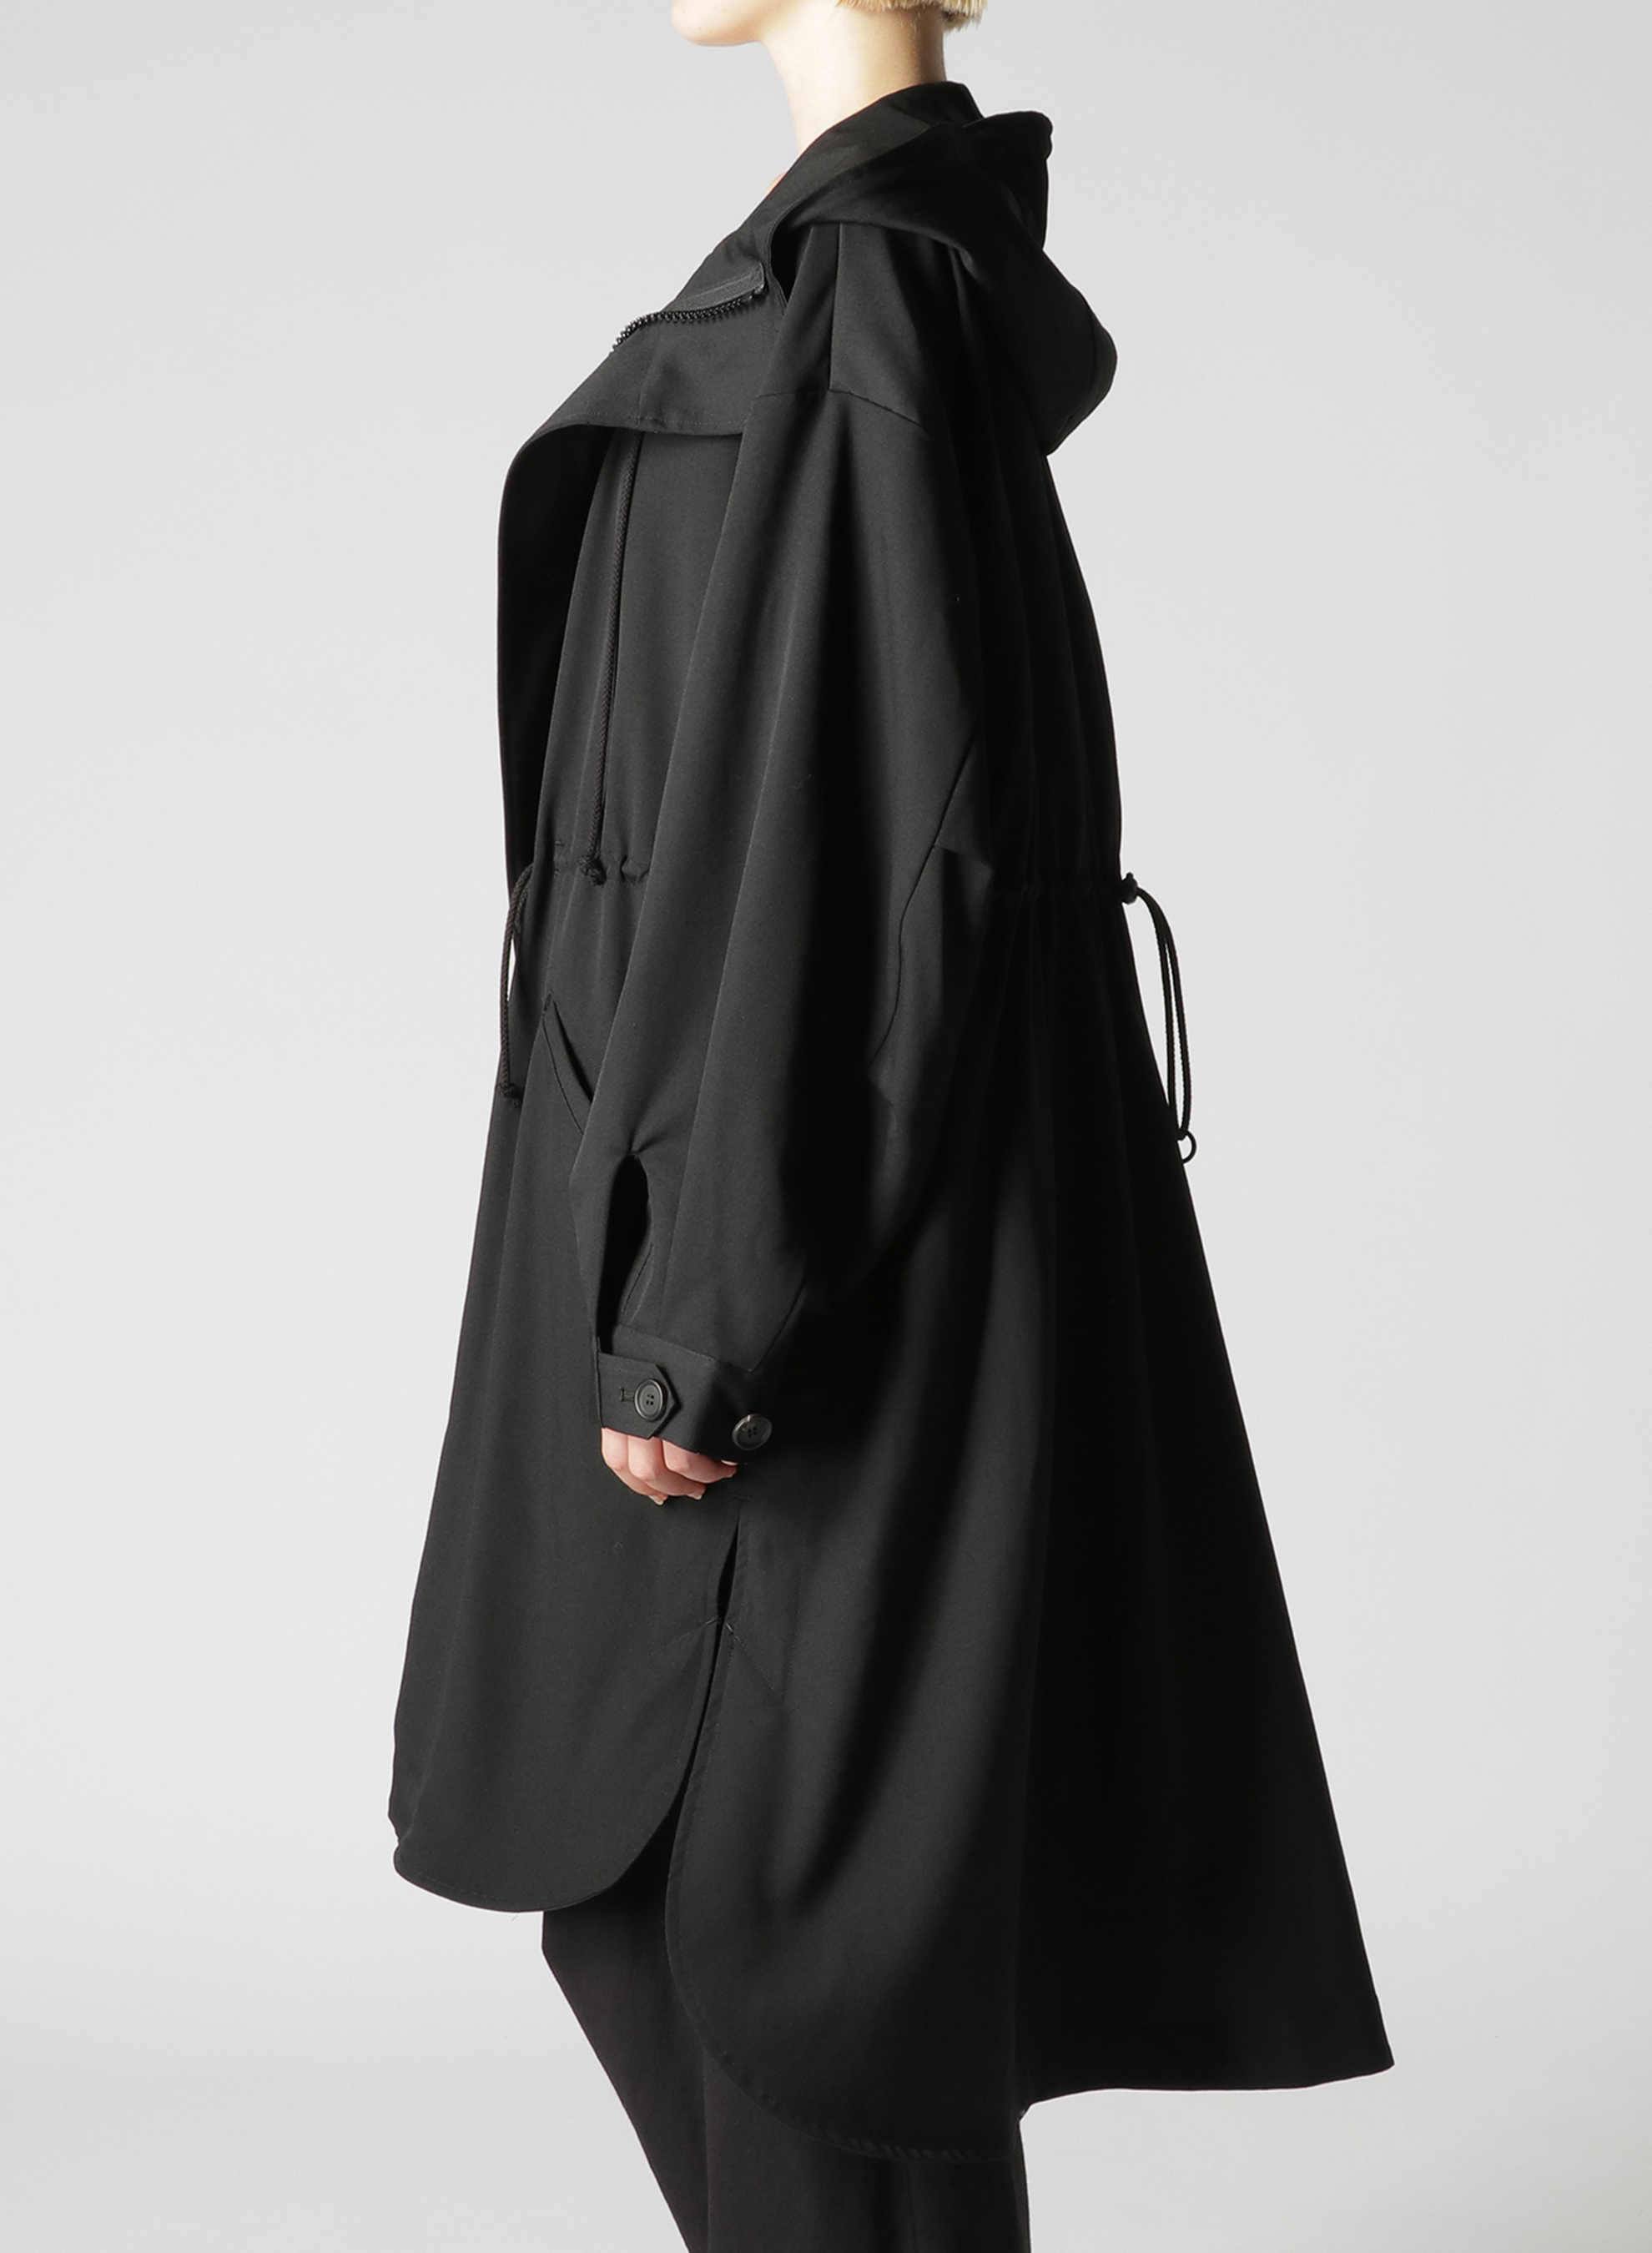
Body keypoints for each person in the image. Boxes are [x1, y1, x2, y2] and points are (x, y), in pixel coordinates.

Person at [389, 3, 1393, 2245]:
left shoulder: (865, 295)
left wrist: (709, 1323)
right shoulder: (854, 277)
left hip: (794, 1252)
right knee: (697, 1925)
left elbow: (846, 844)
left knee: (789, 1958)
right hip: (742, 1199)